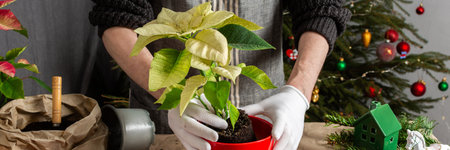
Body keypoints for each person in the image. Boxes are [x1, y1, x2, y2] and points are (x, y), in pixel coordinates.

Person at [89, 0, 351, 149]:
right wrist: (175, 96)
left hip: (266, 124)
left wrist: (298, 92)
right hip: (169, 128)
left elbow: (322, 7)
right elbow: (116, 15)